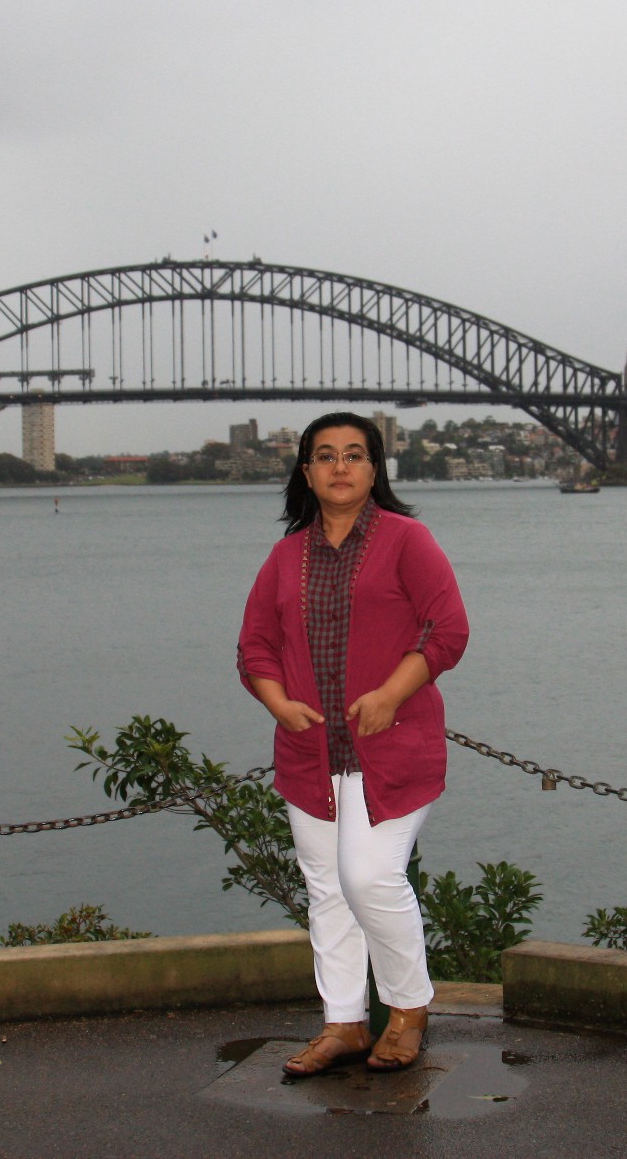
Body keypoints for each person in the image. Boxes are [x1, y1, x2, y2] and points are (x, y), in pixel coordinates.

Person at [236, 411, 470, 1076]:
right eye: (326, 455)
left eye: (354, 454)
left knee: (369, 876)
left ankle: (408, 1008)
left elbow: (447, 629)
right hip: (310, 755)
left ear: (374, 469)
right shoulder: (286, 556)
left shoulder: (407, 540)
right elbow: (254, 646)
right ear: (306, 472)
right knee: (328, 891)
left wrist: (391, 694)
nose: (340, 466)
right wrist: (278, 702)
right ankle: (343, 1021)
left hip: (392, 749)